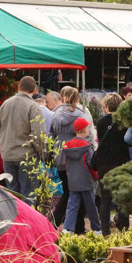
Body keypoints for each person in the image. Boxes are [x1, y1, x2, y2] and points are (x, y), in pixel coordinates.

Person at [0, 76, 45, 206]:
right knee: (28, 195)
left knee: (12, 194)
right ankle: (27, 225)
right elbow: (38, 135)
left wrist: (3, 145)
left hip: (7, 155)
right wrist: (41, 153)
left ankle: (13, 223)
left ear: (18, 87)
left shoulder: (5, 104)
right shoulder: (33, 107)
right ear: (34, 90)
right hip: (27, 156)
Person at [50, 87, 89, 234]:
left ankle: (70, 224)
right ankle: (57, 221)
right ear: (77, 99)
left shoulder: (56, 114)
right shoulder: (80, 114)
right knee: (73, 191)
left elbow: (51, 134)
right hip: (75, 154)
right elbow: (84, 133)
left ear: (64, 97)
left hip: (59, 154)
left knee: (69, 191)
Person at [95, 93, 130, 235]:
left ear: (107, 106)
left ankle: (105, 230)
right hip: (121, 162)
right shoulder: (124, 122)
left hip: (104, 163)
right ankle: (123, 227)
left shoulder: (101, 122)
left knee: (105, 198)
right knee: (123, 197)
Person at [62, 117, 101, 234]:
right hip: (86, 180)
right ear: (85, 131)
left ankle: (67, 228)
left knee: (72, 206)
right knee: (91, 206)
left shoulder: (67, 146)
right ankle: (96, 229)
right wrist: (96, 176)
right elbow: (92, 163)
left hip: (72, 180)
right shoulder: (87, 146)